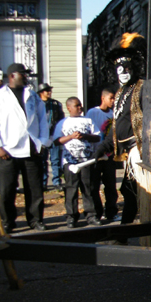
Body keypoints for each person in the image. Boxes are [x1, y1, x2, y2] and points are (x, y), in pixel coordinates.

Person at [0, 63, 50, 232]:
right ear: (12, 75)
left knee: (34, 188)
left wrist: (42, 141)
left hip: (31, 149)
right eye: (23, 74)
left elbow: (42, 120)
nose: (26, 77)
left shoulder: (33, 96)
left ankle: (35, 220)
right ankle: (7, 222)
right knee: (7, 190)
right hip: (8, 150)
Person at [93, 33, 145, 227]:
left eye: (127, 68)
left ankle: (126, 233)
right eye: (119, 68)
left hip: (139, 151)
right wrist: (104, 145)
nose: (123, 72)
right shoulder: (121, 92)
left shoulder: (142, 88)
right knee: (129, 191)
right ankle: (126, 232)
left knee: (131, 190)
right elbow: (117, 125)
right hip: (127, 153)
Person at [53, 98, 101, 228]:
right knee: (71, 189)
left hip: (86, 161)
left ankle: (91, 215)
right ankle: (72, 216)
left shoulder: (88, 121)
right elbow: (56, 141)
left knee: (88, 188)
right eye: (77, 105)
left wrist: (84, 136)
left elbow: (97, 137)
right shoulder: (63, 123)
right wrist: (71, 137)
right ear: (69, 108)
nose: (80, 107)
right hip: (70, 161)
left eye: (80, 105)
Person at [86, 87, 119, 222]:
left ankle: (111, 212)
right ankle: (96, 213)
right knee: (94, 186)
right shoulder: (92, 113)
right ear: (103, 98)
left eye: (114, 98)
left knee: (110, 185)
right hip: (95, 155)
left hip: (109, 155)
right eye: (110, 98)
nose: (112, 101)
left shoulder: (114, 114)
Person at [38, 83, 64, 190]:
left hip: (53, 135)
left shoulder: (55, 104)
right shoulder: (37, 104)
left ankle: (57, 181)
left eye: (49, 90)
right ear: (41, 93)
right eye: (46, 90)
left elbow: (60, 119)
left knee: (55, 160)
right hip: (42, 136)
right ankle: (43, 182)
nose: (49, 92)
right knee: (42, 161)